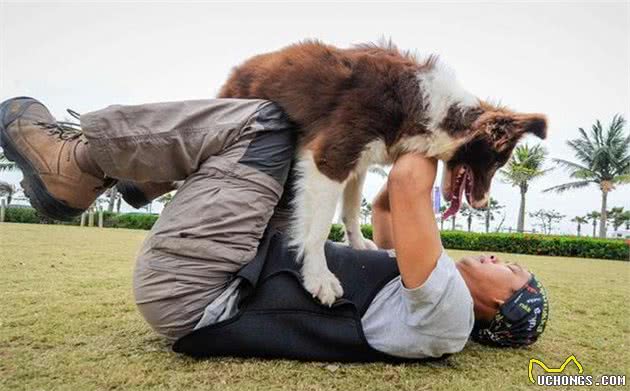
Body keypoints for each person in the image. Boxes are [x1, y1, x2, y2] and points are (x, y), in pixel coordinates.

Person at [0, 97, 549, 361]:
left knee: (268, 121)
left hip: (202, 291)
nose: (499, 259)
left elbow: (407, 181)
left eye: (513, 272)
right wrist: (455, 161)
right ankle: (138, 177)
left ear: (500, 311)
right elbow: (387, 212)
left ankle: (79, 163)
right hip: (222, 269)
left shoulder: (449, 318)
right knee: (309, 137)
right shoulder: (424, 295)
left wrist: (465, 131)